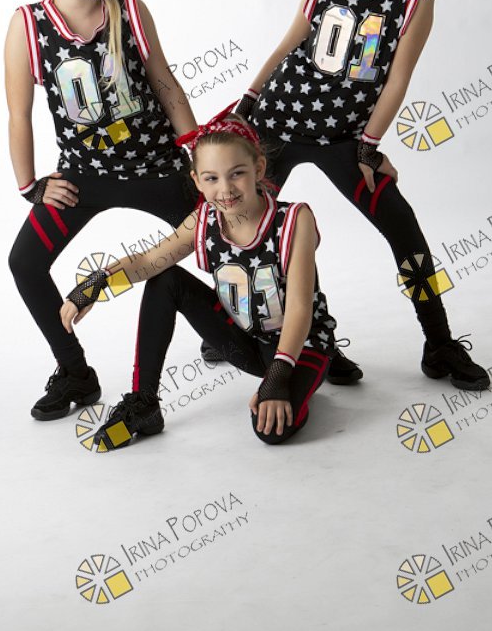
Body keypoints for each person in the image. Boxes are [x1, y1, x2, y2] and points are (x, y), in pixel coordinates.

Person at [234, 0, 489, 391]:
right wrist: (249, 99)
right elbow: (288, 44)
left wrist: (369, 146)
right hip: (279, 121)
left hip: (346, 137)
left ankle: (439, 341)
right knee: (250, 228)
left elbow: (397, 80)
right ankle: (275, 336)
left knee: (401, 224)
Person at [6, 0, 199, 420]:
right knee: (25, 262)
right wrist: (31, 185)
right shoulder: (27, 24)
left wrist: (199, 158)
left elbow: (164, 84)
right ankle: (75, 371)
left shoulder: (129, 9)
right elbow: (18, 114)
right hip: (83, 176)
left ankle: (254, 328)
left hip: (156, 166)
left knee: (224, 232)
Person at [59, 113, 336, 448]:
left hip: (302, 346)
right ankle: (144, 404)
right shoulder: (203, 220)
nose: (225, 189)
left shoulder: (294, 219)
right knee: (165, 279)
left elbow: (300, 309)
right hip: (248, 342)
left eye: (237, 173)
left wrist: (278, 376)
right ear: (198, 181)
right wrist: (97, 284)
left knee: (271, 432)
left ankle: (321, 367)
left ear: (259, 168)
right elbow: (147, 262)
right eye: (212, 178)